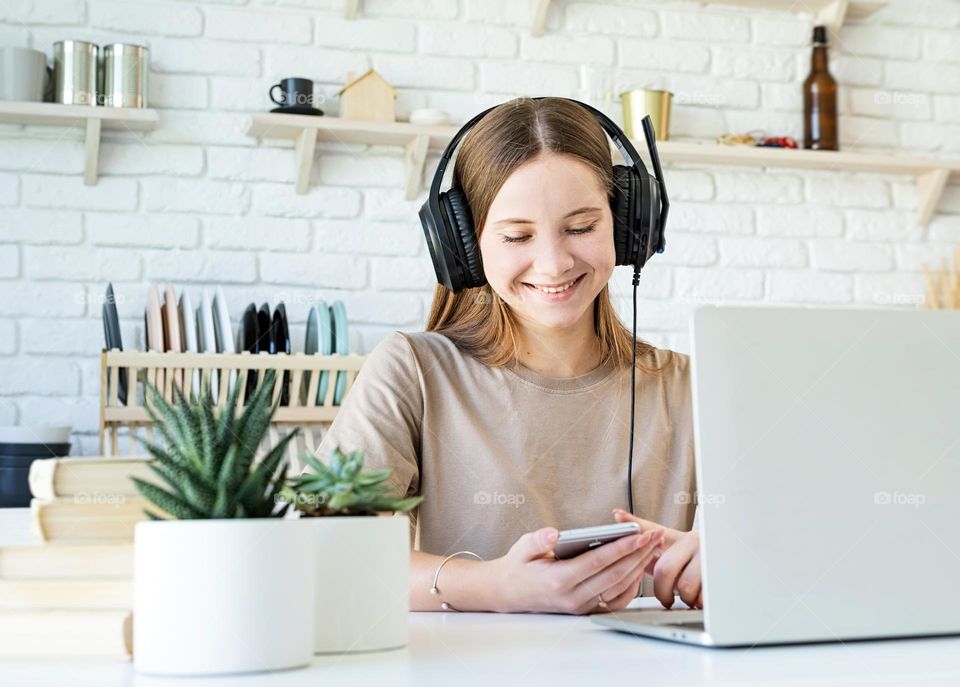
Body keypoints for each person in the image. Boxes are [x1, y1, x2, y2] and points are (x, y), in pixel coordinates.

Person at [314, 96, 702, 614]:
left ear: (629, 227)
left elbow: (796, 547)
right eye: (518, 235)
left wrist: (730, 559)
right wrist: (495, 585)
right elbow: (324, 550)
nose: (554, 262)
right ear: (465, 247)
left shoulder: (690, 386)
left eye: (582, 227)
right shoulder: (414, 371)